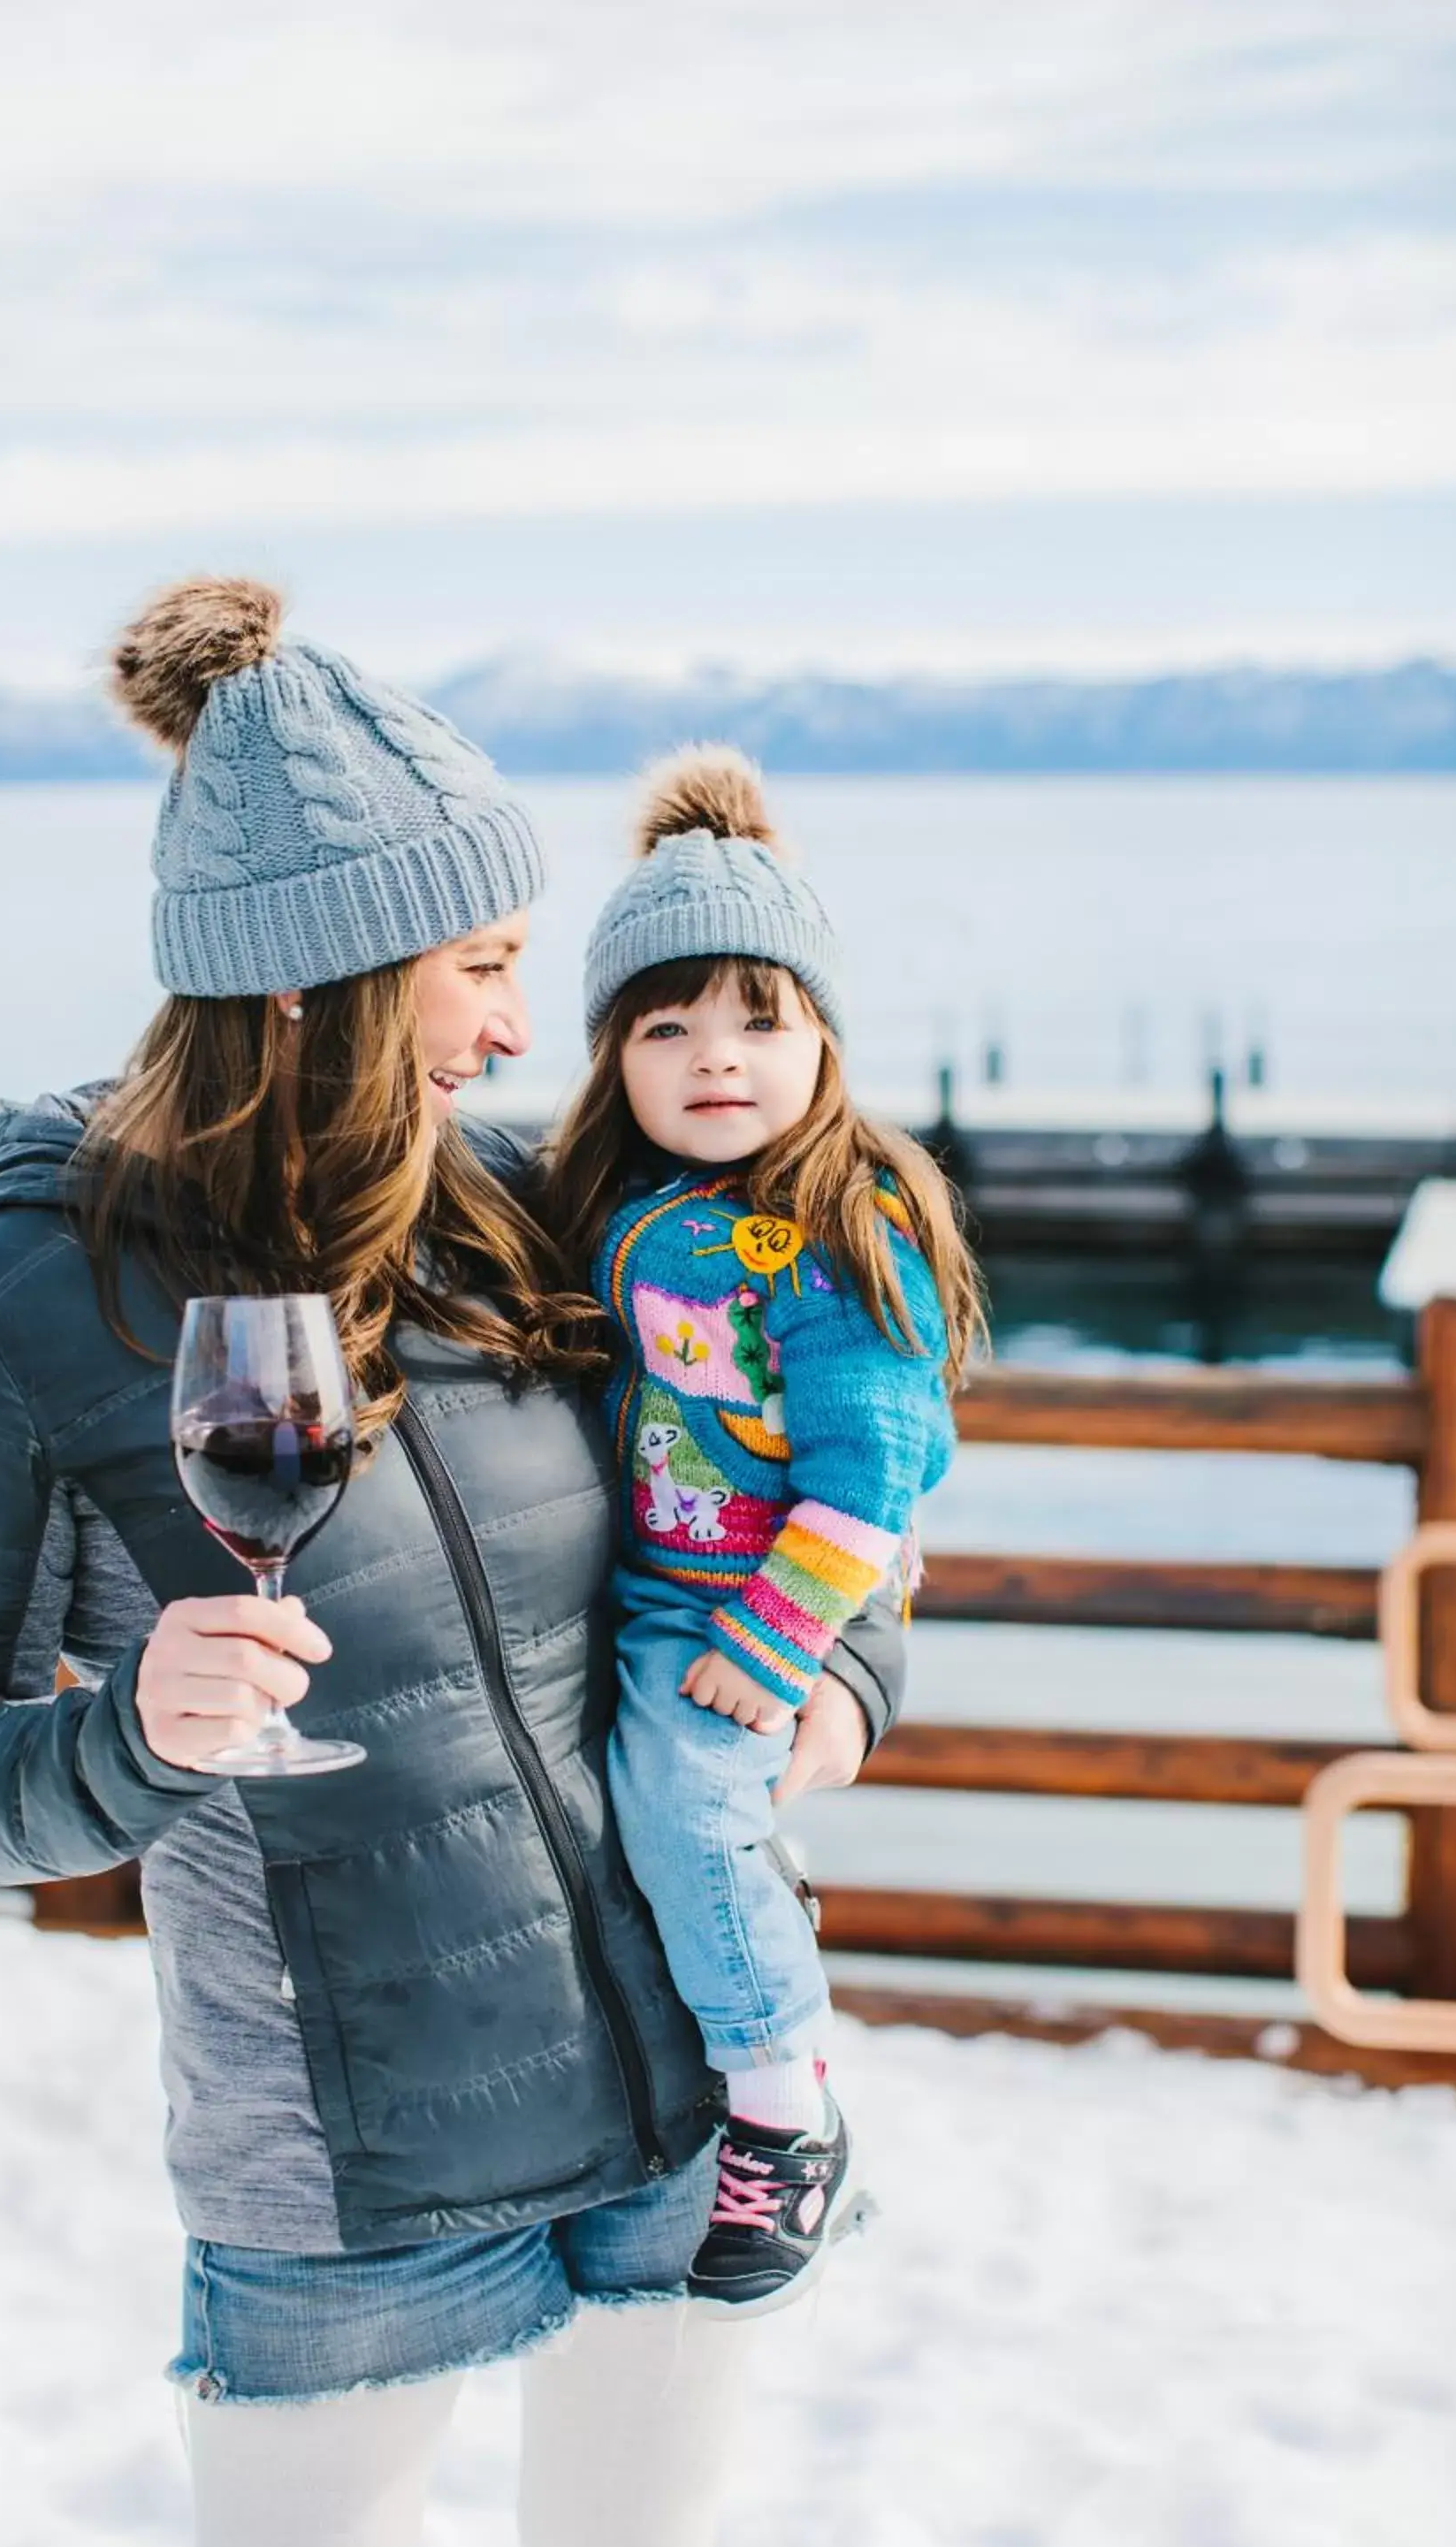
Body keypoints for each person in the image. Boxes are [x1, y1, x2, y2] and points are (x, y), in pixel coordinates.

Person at [0, 578, 911, 2547]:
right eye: (482, 971)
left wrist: (842, 1693)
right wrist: (127, 1740)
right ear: (324, 987)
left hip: (686, 2075)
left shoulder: (526, 1216)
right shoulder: (5, 1316)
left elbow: (811, 1490)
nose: (520, 1032)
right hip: (342, 2160)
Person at [547, 747, 982, 2312]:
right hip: (650, 1582)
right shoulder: (617, 1203)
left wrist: (778, 1641)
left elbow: (876, 1472)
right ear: (617, 1058)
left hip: (738, 1607)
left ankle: (786, 2112)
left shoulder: (833, 1230)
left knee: (687, 1805)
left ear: (823, 1039)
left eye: (757, 1017)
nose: (713, 1057)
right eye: (667, 1026)